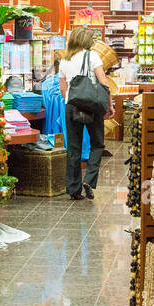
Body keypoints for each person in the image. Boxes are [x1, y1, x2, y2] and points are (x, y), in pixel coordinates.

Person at [58, 26, 111, 200]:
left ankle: (73, 189)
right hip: (92, 106)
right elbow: (103, 82)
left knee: (74, 147)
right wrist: (109, 104)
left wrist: (74, 101)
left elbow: (63, 89)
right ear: (86, 41)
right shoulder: (92, 56)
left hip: (71, 107)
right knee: (97, 144)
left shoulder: (64, 60)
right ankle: (89, 179)